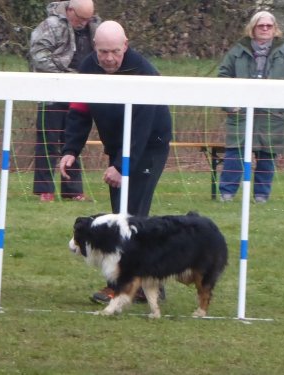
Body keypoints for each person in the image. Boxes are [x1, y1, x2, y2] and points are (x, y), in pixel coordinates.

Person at [59, 20, 172, 303]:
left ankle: (125, 286)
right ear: (95, 47)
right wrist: (71, 149)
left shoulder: (143, 72)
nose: (109, 58)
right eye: (103, 52)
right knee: (124, 214)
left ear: (126, 45)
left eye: (114, 52)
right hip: (119, 147)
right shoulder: (87, 68)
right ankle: (146, 285)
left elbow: (143, 127)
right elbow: (80, 111)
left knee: (130, 216)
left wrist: (124, 167)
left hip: (148, 147)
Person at [217, 10, 284, 203]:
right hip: (241, 114)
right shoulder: (237, 51)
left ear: (274, 29)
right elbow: (222, 78)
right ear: (252, 28)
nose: (264, 29)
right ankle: (226, 194)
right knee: (235, 154)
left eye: (268, 26)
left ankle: (261, 196)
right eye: (260, 26)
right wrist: (230, 106)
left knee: (267, 157)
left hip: (272, 116)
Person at [29, 0, 101, 202]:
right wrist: (66, 73)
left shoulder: (96, 26)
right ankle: (45, 190)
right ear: (70, 11)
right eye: (81, 19)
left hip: (80, 92)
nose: (85, 23)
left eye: (88, 19)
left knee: (73, 140)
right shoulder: (50, 26)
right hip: (52, 91)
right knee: (48, 141)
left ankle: (73, 191)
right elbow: (38, 55)